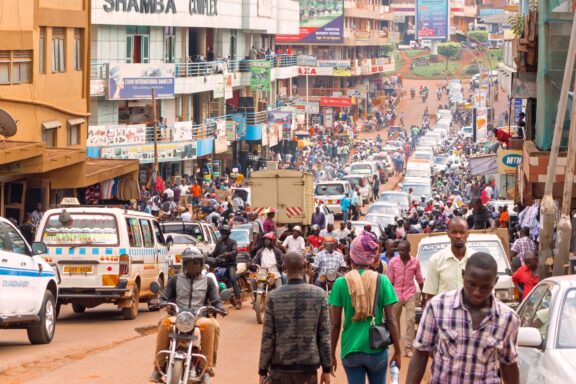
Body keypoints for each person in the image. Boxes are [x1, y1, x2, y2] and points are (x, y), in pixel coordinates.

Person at [406, 252, 520, 384]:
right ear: (463, 274)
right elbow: (421, 353)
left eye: (485, 287)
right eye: (471, 284)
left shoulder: (508, 318)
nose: (477, 292)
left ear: (495, 282)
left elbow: (508, 364)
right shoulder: (437, 307)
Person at [329, 231, 401, 384]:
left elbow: (335, 324)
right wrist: (398, 352)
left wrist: (331, 354)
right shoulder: (382, 281)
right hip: (376, 349)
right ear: (370, 257)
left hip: (350, 349)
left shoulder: (340, 283)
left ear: (352, 256)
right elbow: (391, 320)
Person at [150, 249, 227, 383]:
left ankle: (206, 369)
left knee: (211, 325)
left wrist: (221, 307)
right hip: (178, 316)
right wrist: (159, 302)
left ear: (202, 263)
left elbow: (215, 300)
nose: (192, 265)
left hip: (199, 317)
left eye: (196, 262)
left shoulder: (208, 281)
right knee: (164, 324)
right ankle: (158, 367)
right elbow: (164, 296)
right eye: (189, 262)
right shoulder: (175, 279)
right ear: (183, 263)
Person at [258, 251, 332, 384]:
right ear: (305, 266)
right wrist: (327, 369)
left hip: (280, 368)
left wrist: (262, 371)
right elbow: (324, 335)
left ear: (284, 269)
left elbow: (268, 337)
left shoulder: (274, 296)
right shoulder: (320, 295)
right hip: (308, 369)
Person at [422, 217, 473, 301]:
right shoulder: (436, 260)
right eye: (454, 232)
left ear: (468, 234)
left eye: (462, 232)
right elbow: (430, 296)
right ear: (448, 234)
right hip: (444, 313)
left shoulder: (478, 260)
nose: (458, 236)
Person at [387, 240, 424, 358]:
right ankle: (396, 344)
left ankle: (408, 347)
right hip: (396, 294)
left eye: (403, 250)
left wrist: (423, 294)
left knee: (411, 319)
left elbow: (419, 279)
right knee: (394, 320)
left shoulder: (415, 262)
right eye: (399, 250)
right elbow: (390, 281)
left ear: (409, 250)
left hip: (410, 294)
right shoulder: (393, 262)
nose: (400, 252)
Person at [210, 225, 241, 309]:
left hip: (230, 265)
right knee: (212, 278)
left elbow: (235, 250)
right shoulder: (219, 242)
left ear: (228, 234)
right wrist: (207, 255)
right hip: (220, 265)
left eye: (224, 234)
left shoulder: (233, 242)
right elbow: (214, 253)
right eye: (221, 233)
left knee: (233, 278)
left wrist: (229, 253)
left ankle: (238, 300)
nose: (222, 235)